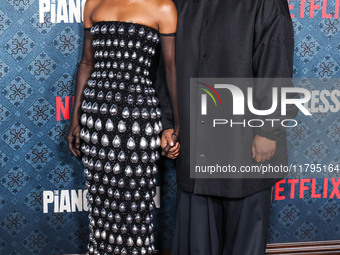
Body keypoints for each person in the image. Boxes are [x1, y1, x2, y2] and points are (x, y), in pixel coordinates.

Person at [157, 0, 299, 254]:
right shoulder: (178, 2)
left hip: (245, 143)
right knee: (195, 244)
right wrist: (167, 124)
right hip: (194, 142)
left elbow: (275, 59)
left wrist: (268, 130)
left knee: (244, 243)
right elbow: (166, 66)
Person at [66, 0, 180, 254]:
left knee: (136, 211)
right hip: (96, 121)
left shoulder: (163, 7)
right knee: (100, 209)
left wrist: (177, 125)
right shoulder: (93, 3)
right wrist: (75, 118)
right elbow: (86, 62)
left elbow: (171, 68)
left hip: (139, 121)